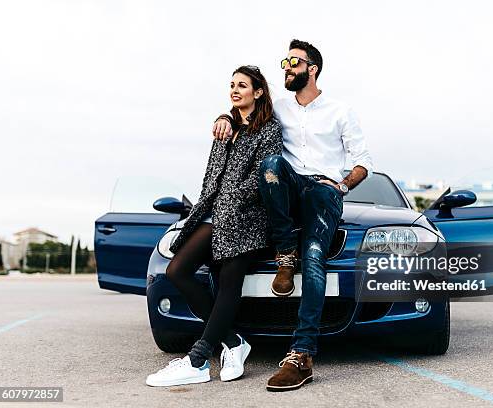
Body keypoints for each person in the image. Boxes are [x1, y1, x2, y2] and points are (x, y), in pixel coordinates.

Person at [213, 40, 373, 391]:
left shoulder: (340, 111)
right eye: (284, 62)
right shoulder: (279, 108)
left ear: (312, 68)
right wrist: (224, 116)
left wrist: (341, 185)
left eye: (293, 62)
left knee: (315, 257)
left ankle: (302, 354)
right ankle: (285, 251)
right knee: (271, 164)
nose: (286, 67)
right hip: (286, 189)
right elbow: (245, 113)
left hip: (322, 191)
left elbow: (363, 162)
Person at [146, 65, 283, 387]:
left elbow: (264, 175)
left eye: (243, 85)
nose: (235, 90)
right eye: (232, 85)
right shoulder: (225, 127)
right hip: (211, 213)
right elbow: (212, 175)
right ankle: (234, 342)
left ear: (258, 92)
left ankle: (198, 359)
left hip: (246, 217)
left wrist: (232, 202)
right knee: (177, 270)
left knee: (228, 282)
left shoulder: (270, 129)